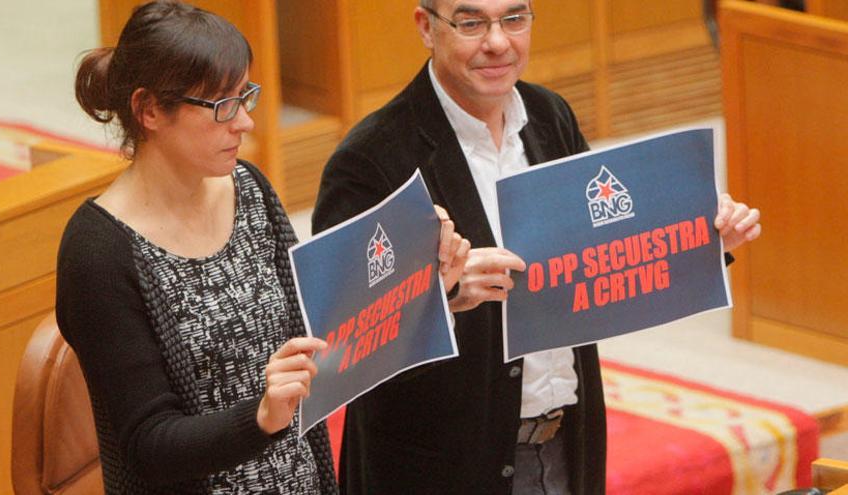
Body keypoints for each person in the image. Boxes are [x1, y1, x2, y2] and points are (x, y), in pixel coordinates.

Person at [312, 1, 762, 494]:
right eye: (470, 23)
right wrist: (442, 293)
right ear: (426, 27)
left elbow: (606, 257)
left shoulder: (549, 115)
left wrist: (704, 239)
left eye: (514, 19)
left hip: (563, 440)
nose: (498, 42)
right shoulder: (371, 156)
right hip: (440, 467)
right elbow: (340, 342)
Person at [57, 2, 468, 494]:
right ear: (148, 110)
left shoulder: (248, 188)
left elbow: (320, 334)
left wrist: (423, 288)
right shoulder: (99, 251)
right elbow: (150, 444)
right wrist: (261, 415)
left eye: (244, 96)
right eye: (222, 106)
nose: (246, 122)